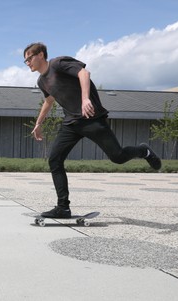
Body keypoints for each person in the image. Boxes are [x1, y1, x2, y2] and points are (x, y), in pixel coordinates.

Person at [24, 42, 162, 218]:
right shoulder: (41, 81)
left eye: (29, 58)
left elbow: (84, 73)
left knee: (117, 157)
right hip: (71, 123)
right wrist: (39, 123)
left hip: (90, 117)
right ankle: (63, 207)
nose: (27, 62)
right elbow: (49, 101)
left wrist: (85, 99)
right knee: (54, 160)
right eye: (25, 61)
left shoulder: (58, 64)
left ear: (41, 55)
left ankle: (144, 151)